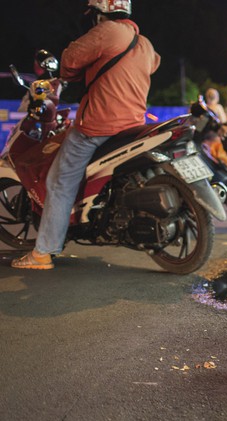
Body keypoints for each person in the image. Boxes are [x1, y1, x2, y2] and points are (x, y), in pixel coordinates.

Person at [11, 0, 160, 270]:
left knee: (59, 180)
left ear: (99, 13)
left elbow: (69, 61)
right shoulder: (145, 43)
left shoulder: (107, 31)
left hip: (98, 126)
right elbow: (153, 66)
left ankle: (43, 253)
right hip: (133, 125)